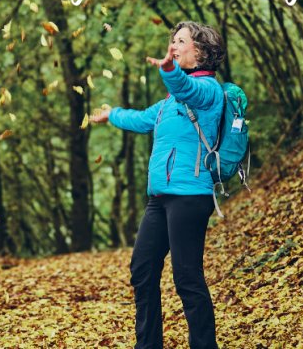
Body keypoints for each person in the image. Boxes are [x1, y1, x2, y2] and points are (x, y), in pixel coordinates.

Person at [91, 21, 226, 349]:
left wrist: (167, 68)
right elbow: (141, 119)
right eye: (173, 41)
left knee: (187, 278)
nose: (174, 46)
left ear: (201, 52)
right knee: (142, 268)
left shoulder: (208, 91)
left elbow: (185, 88)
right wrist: (113, 114)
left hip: (190, 196)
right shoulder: (168, 104)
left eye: (181, 42)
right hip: (161, 198)